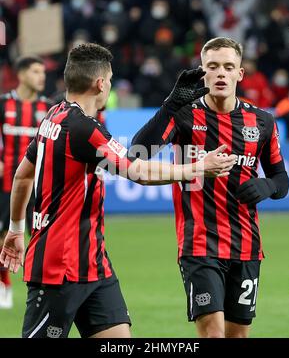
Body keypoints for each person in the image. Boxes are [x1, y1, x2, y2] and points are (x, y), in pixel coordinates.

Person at [0, 43, 237, 338]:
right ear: (100, 84)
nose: (109, 84)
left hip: (95, 265)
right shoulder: (84, 128)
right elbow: (137, 170)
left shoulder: (53, 116)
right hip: (59, 268)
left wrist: (15, 228)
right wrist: (197, 168)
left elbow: (22, 176)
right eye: (110, 79)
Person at [131, 37, 289, 338]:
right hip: (199, 244)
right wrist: (170, 105)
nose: (220, 74)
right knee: (213, 334)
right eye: (213, 67)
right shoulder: (185, 115)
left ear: (240, 74)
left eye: (229, 67)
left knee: (237, 335)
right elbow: (138, 152)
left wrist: (267, 185)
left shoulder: (262, 122)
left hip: (246, 245)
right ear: (202, 72)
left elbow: (282, 180)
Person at [0, 55, 51, 309]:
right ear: (20, 75)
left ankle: (42, 290)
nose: (41, 76)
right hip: (5, 186)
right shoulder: (3, 104)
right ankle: (4, 285)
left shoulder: (49, 108)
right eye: (35, 71)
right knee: (3, 237)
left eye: (42, 71)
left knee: (41, 240)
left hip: (39, 190)